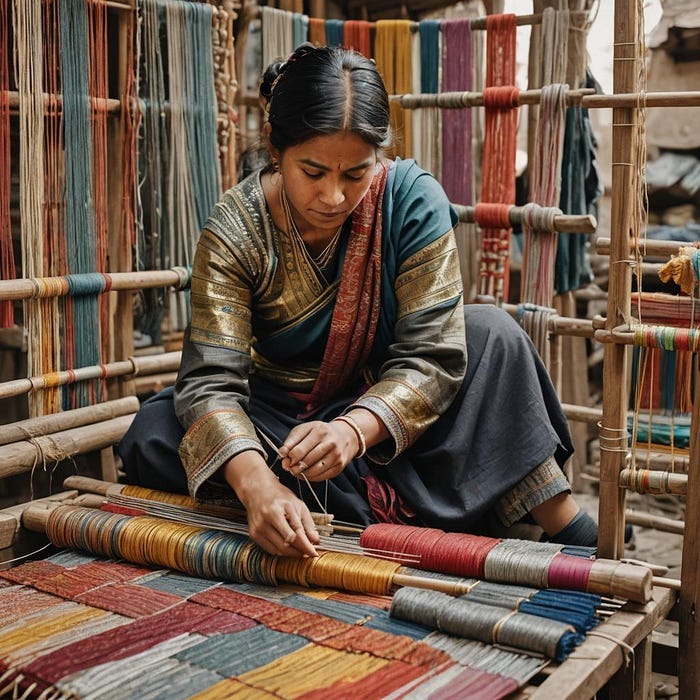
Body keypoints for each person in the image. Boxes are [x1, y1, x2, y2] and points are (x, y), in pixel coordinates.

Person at [118, 44, 598, 558]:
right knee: (157, 431)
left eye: (354, 175)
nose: (333, 197)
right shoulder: (235, 229)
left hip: (390, 415)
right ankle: (322, 506)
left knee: (493, 335)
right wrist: (257, 484)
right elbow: (212, 379)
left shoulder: (411, 199)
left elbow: (433, 357)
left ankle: (562, 523)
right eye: (313, 171)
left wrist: (352, 431)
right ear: (276, 152)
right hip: (285, 423)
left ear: (380, 156)